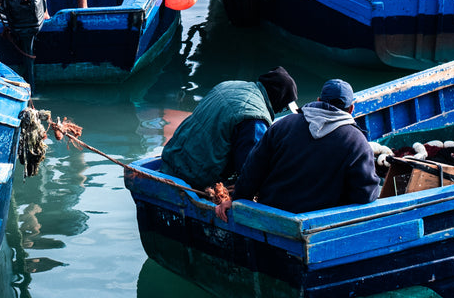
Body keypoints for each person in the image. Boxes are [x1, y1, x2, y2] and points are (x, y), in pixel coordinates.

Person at [215, 79, 380, 219]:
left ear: (318, 100)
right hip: (318, 225)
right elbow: (365, 194)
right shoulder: (357, 142)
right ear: (351, 109)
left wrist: (237, 200)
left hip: (270, 216)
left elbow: (252, 170)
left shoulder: (283, 125)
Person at [161, 67, 299, 188]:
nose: (281, 111)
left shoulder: (229, 85)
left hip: (171, 159)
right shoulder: (255, 117)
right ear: (277, 99)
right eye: (284, 107)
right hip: (195, 178)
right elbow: (249, 169)